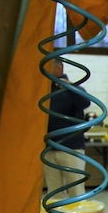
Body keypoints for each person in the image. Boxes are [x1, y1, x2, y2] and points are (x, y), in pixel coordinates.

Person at [43, 58, 91, 199]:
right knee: (54, 193)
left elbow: (85, 102)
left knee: (76, 190)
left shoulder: (74, 89)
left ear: (58, 69)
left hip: (71, 149)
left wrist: (69, 87)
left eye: (48, 67)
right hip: (50, 148)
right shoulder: (46, 91)